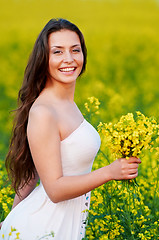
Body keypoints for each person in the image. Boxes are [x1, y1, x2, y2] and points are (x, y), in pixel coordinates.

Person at [0, 18, 141, 240]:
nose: (69, 59)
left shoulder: (66, 104)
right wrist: (110, 172)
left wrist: (10, 219)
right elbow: (55, 190)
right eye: (57, 52)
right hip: (42, 231)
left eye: (75, 50)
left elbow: (33, 172)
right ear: (44, 59)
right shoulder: (44, 112)